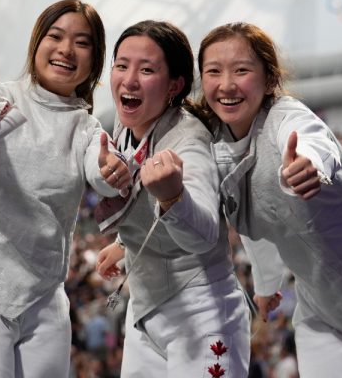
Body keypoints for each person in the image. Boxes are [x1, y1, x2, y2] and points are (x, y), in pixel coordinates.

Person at [197, 21, 342, 377]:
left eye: (241, 70)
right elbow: (254, 225)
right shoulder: (212, 147)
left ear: (270, 78)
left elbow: (313, 141)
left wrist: (310, 167)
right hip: (320, 305)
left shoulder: (286, 116)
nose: (226, 84)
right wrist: (266, 286)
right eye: (213, 71)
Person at [0, 0, 128, 378]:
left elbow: (100, 171)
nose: (66, 50)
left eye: (82, 42)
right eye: (55, 36)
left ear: (95, 59)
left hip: (45, 300)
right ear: (37, 42)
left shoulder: (87, 130)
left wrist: (111, 171)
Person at [94, 20, 250, 377]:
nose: (129, 79)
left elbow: (204, 234)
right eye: (122, 65)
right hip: (145, 313)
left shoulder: (188, 142)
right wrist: (123, 243)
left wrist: (174, 196)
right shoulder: (127, 123)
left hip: (201, 314)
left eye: (146, 69)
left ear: (174, 86)